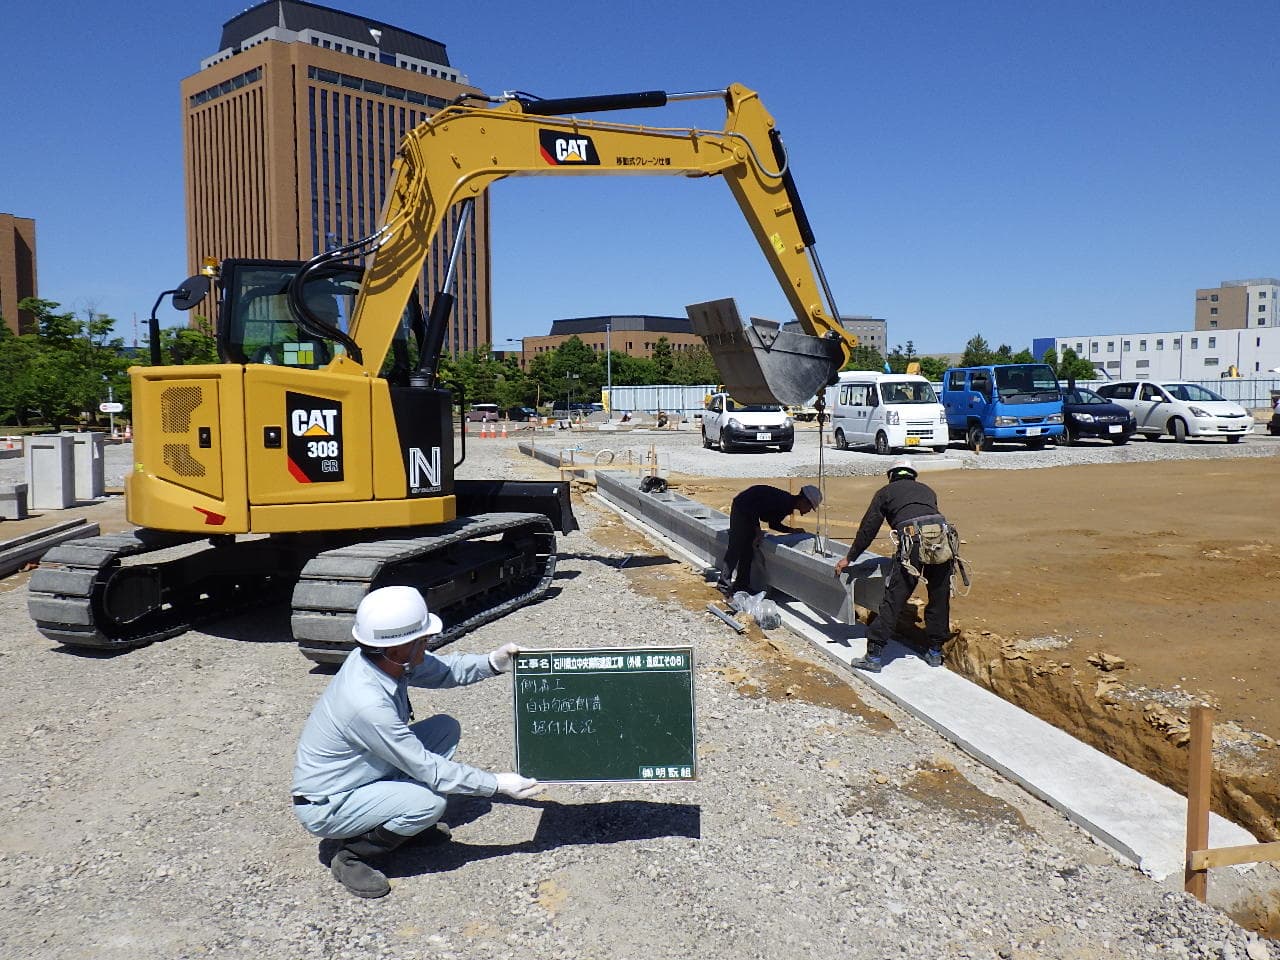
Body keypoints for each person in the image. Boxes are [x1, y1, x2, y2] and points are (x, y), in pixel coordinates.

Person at [291, 585, 543, 899]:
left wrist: (493, 662)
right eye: (423, 640)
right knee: (431, 804)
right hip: (329, 804)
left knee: (444, 729)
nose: (428, 643)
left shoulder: (384, 660)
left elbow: (445, 671)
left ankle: (396, 825)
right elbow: (429, 769)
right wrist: (496, 784)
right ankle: (352, 855)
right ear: (399, 647)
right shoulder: (366, 704)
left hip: (359, 774)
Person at [834, 460, 954, 672]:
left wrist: (849, 558)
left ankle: (874, 655)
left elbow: (868, 528)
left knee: (896, 596)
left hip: (913, 541)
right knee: (939, 594)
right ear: (913, 476)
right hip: (943, 540)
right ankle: (935, 651)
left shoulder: (885, 492)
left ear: (891, 476)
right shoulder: (927, 490)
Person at [718, 484, 822, 594]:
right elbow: (753, 508)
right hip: (742, 507)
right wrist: (757, 530)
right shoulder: (784, 502)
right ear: (804, 501)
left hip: (749, 511)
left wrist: (792, 530)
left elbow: (773, 524)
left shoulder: (788, 506)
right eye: (810, 507)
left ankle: (741, 585)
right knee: (737, 545)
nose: (809, 510)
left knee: (748, 551)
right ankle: (723, 584)